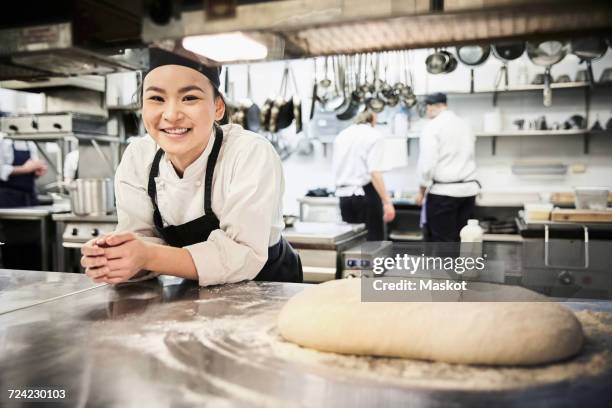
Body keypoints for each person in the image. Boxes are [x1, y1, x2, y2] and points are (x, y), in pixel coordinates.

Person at [80, 47, 302, 285]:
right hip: (197, 293)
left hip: (267, 289)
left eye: (190, 98)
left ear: (218, 107)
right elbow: (141, 240)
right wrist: (116, 256)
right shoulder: (138, 156)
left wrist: (146, 255)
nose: (171, 114)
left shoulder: (249, 152)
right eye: (156, 98)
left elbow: (242, 255)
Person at [415, 93, 479, 242]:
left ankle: (445, 266)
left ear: (431, 107)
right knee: (465, 243)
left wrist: (421, 191)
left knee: (443, 246)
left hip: (443, 195)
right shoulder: (465, 124)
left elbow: (427, 165)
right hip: (468, 193)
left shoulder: (432, 127)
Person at [333, 110, 395, 241]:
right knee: (372, 245)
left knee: (350, 243)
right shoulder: (374, 135)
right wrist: (387, 202)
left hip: (344, 196)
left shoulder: (341, 135)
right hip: (365, 194)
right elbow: (374, 172)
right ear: (372, 117)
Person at [0, 136, 48, 208]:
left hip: (30, 196)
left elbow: (33, 165)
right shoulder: (3, 140)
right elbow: (1, 171)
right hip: (7, 197)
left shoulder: (29, 142)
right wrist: (24, 169)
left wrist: (38, 170)